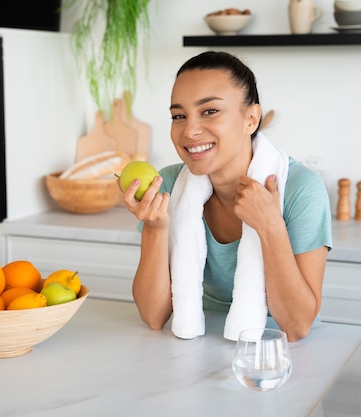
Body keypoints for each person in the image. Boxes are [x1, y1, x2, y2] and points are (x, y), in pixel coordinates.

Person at [121, 51, 332, 342]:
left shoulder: (299, 188)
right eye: (179, 116)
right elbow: (153, 316)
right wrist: (156, 229)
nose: (190, 131)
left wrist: (270, 226)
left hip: (276, 349)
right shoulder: (169, 183)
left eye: (210, 111)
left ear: (251, 118)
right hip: (200, 340)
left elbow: (296, 327)